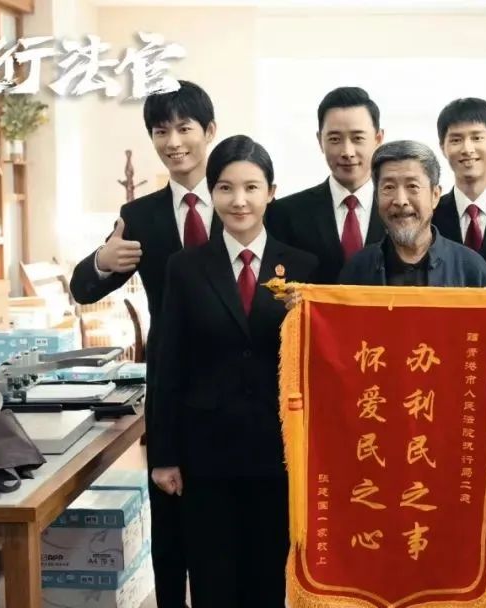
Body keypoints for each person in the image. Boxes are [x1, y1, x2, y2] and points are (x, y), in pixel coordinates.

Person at [150, 135, 318, 607]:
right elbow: (168, 364)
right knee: (212, 580)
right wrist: (164, 455)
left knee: (269, 580)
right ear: (211, 194)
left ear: (271, 192)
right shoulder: (185, 268)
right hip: (206, 454)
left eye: (251, 187)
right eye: (225, 188)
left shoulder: (303, 269)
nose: (239, 201)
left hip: (278, 453)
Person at [68, 80, 218, 608]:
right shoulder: (142, 216)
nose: (173, 142)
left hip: (239, 391)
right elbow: (84, 289)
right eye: (161, 131)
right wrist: (100, 262)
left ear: (209, 131)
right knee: (171, 532)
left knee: (227, 534)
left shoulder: (240, 201)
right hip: (172, 387)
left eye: (184, 128)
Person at [337, 139, 486, 289]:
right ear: (377, 198)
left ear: (435, 196)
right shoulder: (356, 271)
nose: (400, 200)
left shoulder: (472, 271)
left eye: (412, 186)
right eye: (389, 187)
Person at [265, 86, 386, 283]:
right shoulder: (285, 214)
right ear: (320, 141)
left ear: (378, 139)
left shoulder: (400, 210)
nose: (347, 152)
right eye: (335, 139)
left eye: (358, 138)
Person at [431, 98, 486, 256]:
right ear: (442, 148)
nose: (467, 149)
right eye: (456, 140)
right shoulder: (432, 214)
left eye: (477, 138)